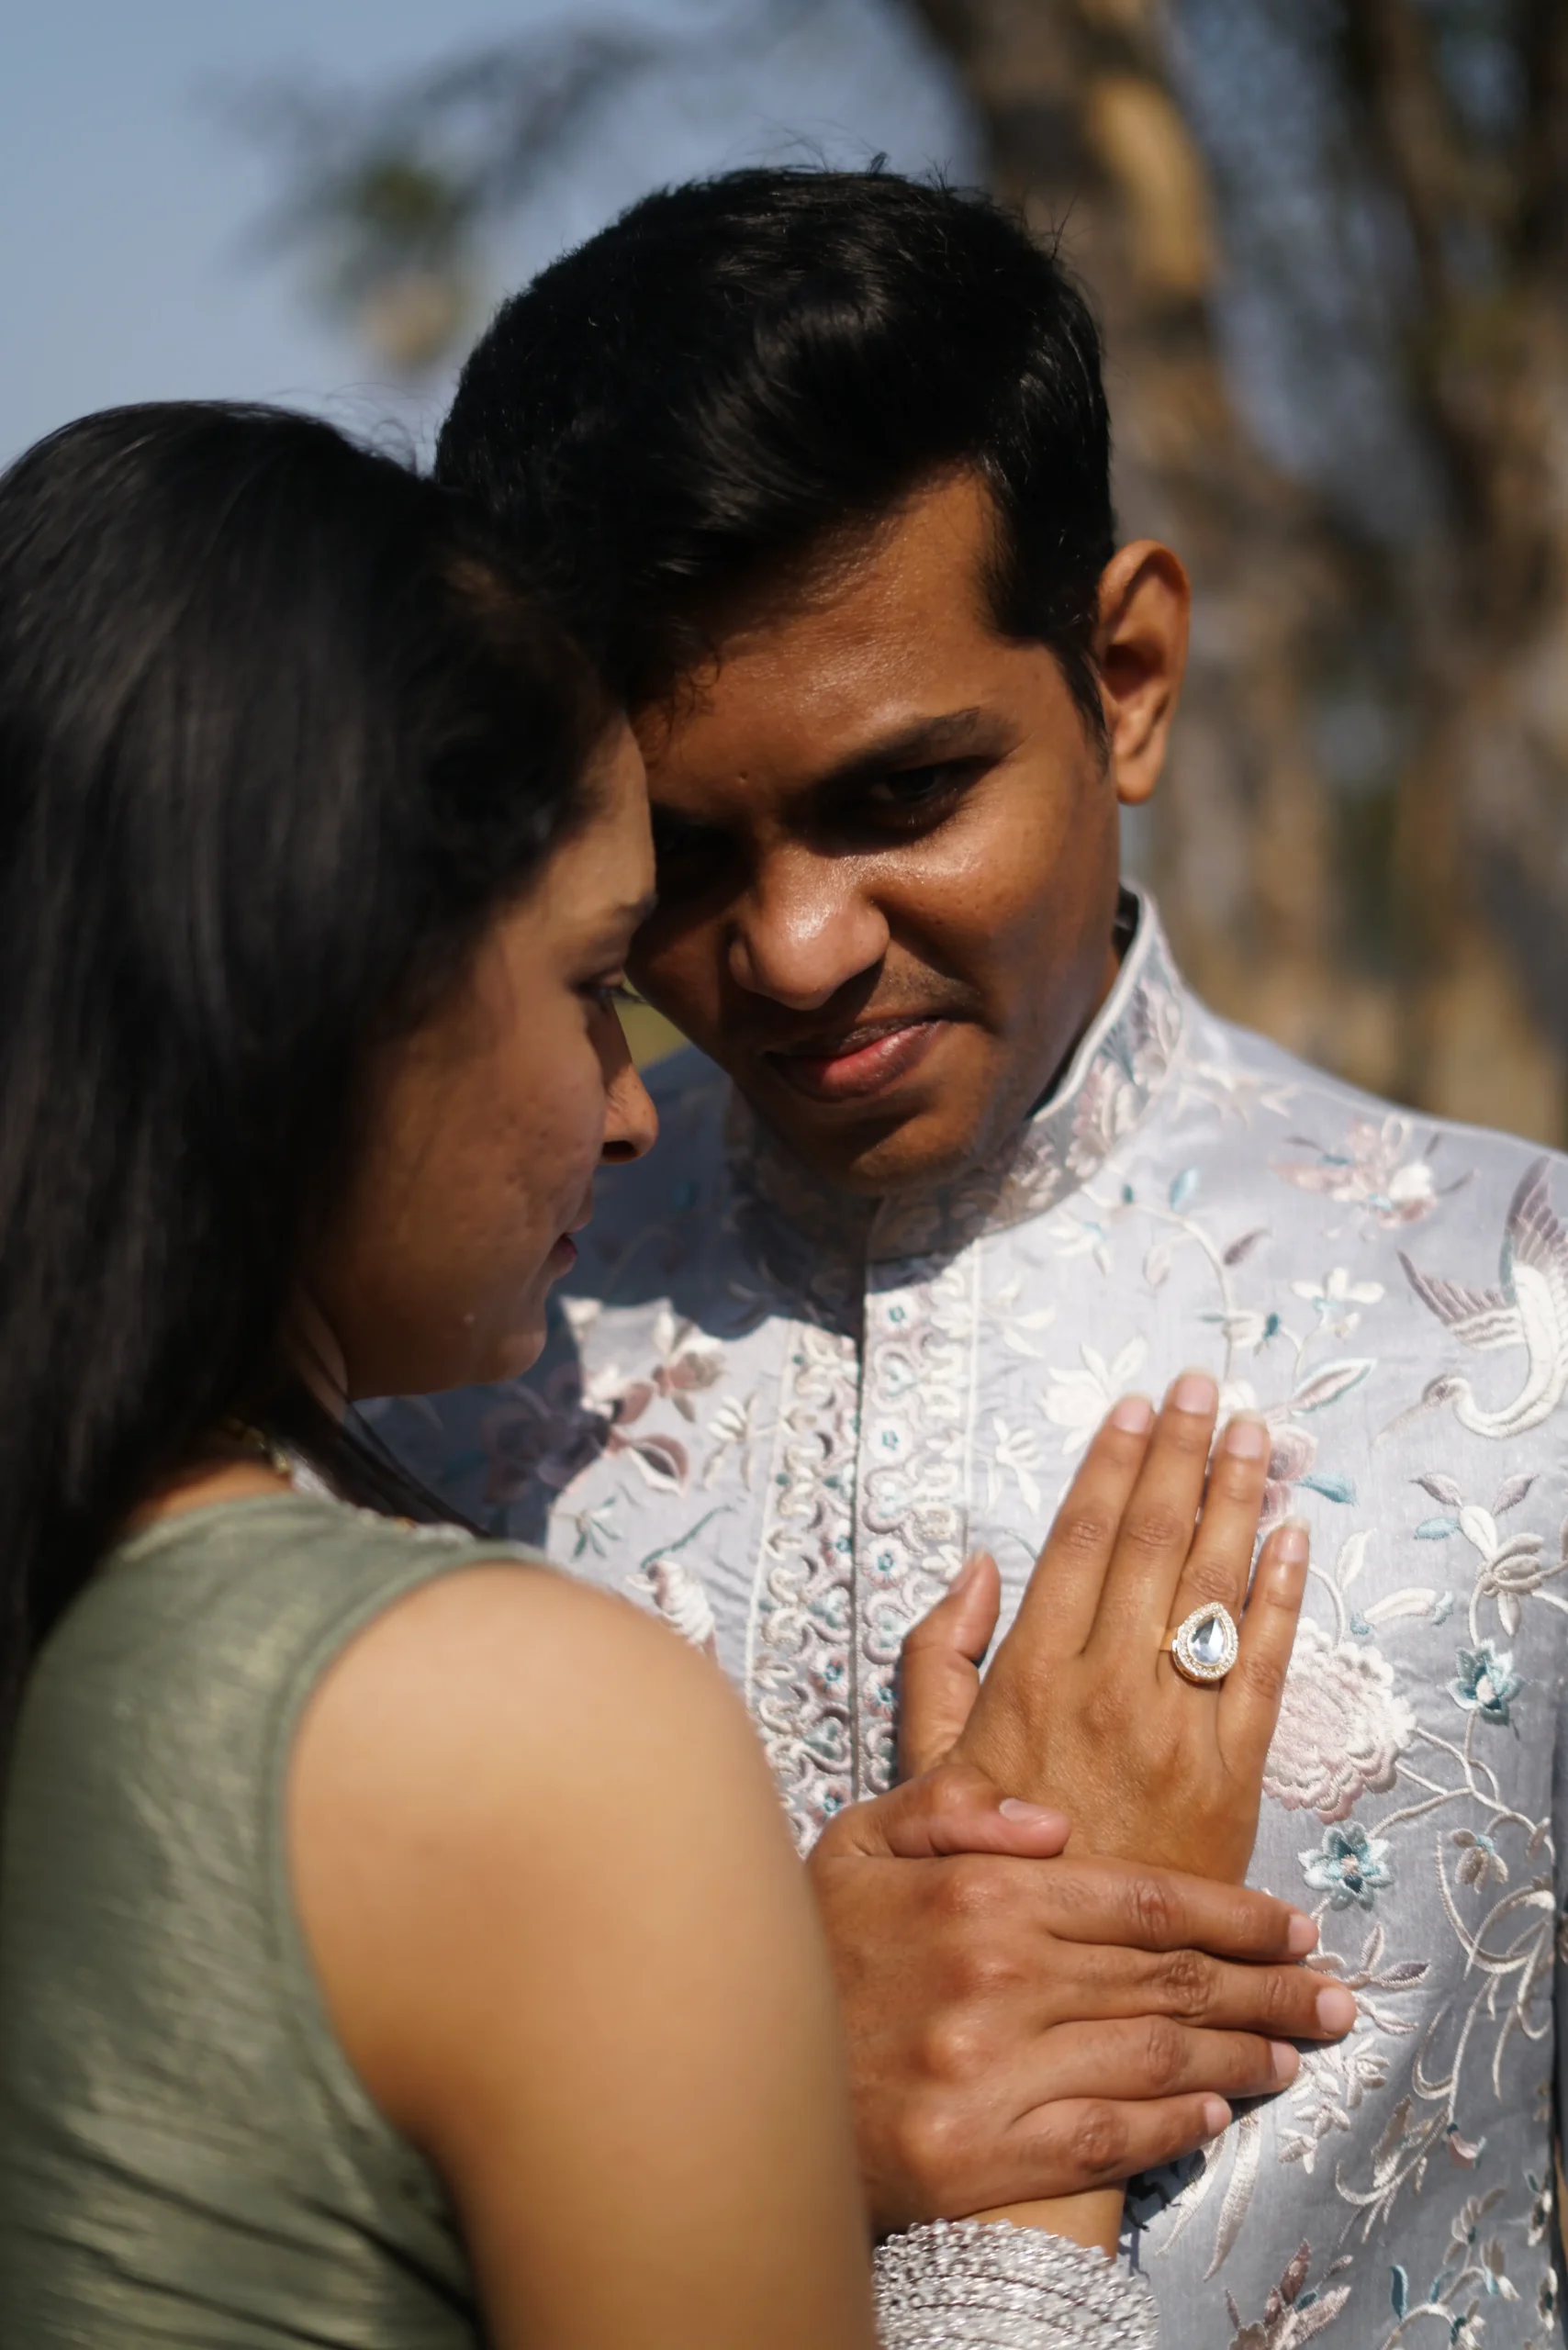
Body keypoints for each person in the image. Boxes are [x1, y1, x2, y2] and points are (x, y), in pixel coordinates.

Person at [0, 400, 1323, 2349]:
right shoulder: (519, 1722)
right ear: (331, 989)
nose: (635, 1110)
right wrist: (1033, 2116)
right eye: (592, 982)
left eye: (902, 792)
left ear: (1123, 675)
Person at [387, 168, 1568, 2344]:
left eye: (899, 795)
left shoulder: (1524, 1314)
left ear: (1124, 676)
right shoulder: (439, 1370)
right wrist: (745, 2062)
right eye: (680, 852)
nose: (792, 948)